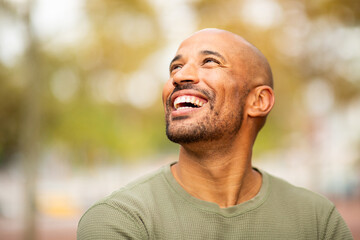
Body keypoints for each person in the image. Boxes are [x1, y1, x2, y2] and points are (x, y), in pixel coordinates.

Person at [77, 28, 353, 239]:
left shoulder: (317, 221)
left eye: (209, 61)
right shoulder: (120, 220)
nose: (180, 76)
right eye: (175, 66)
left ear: (259, 101)